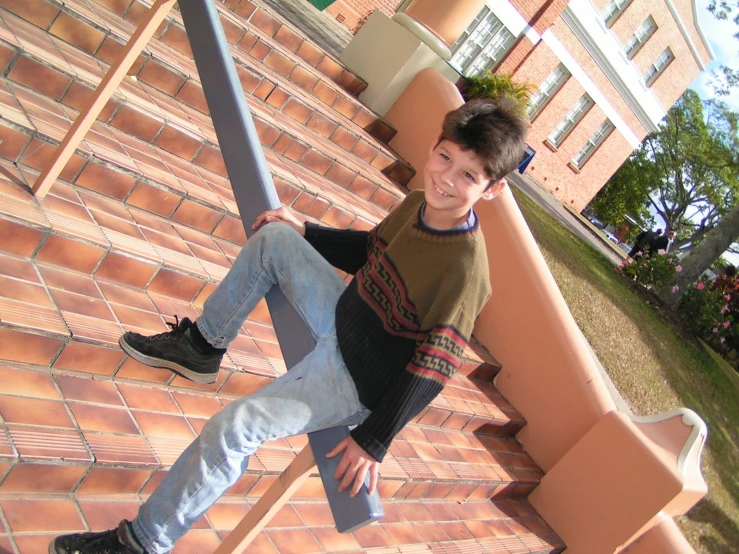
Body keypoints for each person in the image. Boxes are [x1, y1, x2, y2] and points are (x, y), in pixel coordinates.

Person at [49, 98, 528, 554]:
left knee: (234, 427)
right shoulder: (417, 205)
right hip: (344, 316)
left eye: (468, 175)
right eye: (444, 157)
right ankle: (201, 346)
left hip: (357, 380)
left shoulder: (466, 270)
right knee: (274, 239)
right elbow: (370, 251)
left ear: (493, 188)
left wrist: (374, 439)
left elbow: (434, 367)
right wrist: (308, 232)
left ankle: (144, 541)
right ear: (433, 147)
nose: (446, 178)